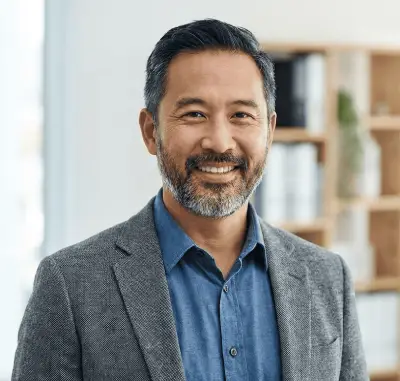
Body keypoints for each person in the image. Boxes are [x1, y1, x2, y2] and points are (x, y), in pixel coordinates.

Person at [12, 19, 368, 381]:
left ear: (270, 131)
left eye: (241, 115)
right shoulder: (71, 285)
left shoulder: (326, 278)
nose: (220, 142)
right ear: (151, 132)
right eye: (195, 114)